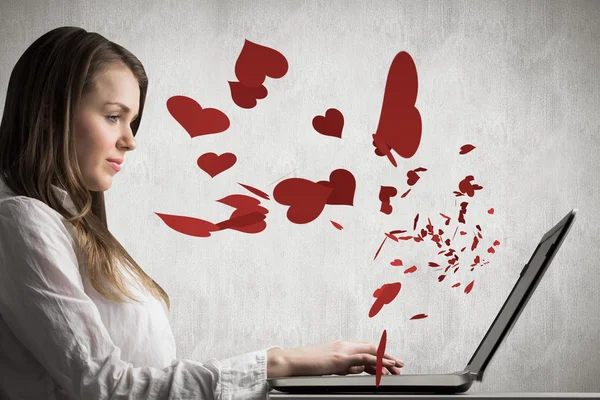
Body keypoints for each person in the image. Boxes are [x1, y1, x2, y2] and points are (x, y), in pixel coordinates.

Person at [0, 26, 404, 399]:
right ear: (51, 113)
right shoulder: (21, 221)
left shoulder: (64, 224)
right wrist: (278, 363)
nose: (129, 140)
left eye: (132, 121)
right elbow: (103, 385)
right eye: (112, 116)